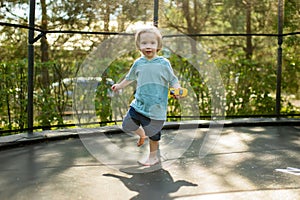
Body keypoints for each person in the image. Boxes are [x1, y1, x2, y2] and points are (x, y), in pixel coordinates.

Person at [111, 26, 182, 166]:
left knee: (154, 137)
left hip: (156, 108)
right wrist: (119, 86)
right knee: (127, 124)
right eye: (144, 43)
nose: (148, 46)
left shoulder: (163, 63)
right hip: (139, 104)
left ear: (158, 45)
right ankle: (142, 134)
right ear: (139, 46)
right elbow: (129, 78)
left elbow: (173, 80)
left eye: (152, 43)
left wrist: (177, 90)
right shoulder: (138, 63)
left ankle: (153, 157)